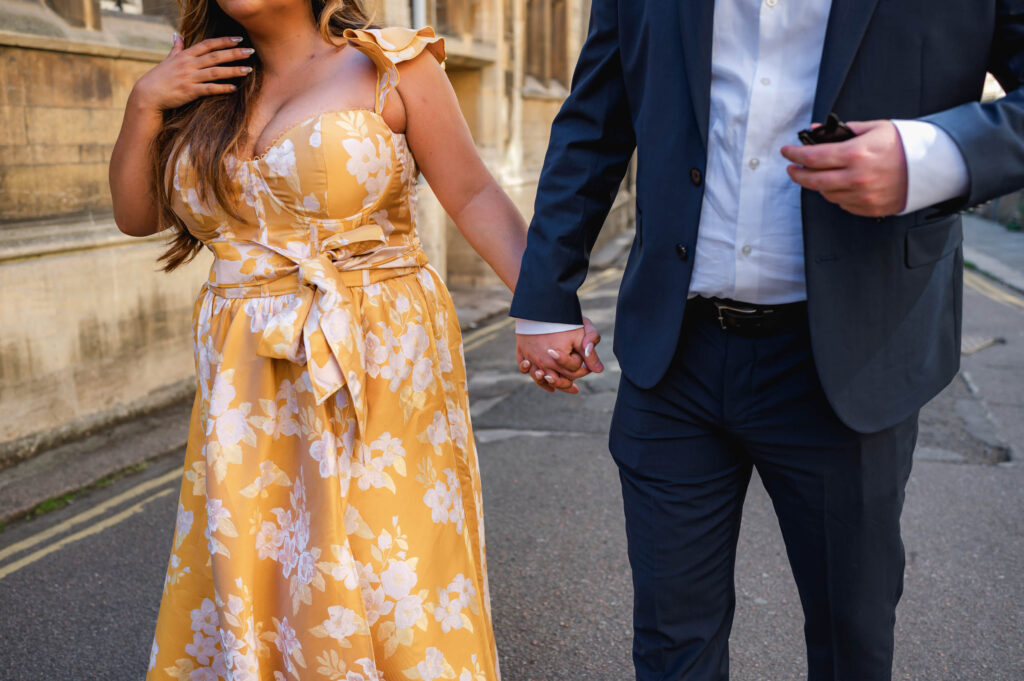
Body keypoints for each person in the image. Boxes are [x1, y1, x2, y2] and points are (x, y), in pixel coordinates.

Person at [512, 1, 1024, 680]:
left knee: (852, 642)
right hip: (675, 358)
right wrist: (546, 295)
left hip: (850, 356)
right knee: (671, 646)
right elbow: (595, 117)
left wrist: (933, 157)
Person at [108, 0, 600, 677]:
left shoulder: (390, 63)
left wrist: (548, 310)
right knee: (266, 566)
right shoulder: (200, 83)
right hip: (247, 381)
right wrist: (144, 104)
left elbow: (473, 192)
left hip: (379, 356)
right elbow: (136, 215)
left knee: (386, 572)